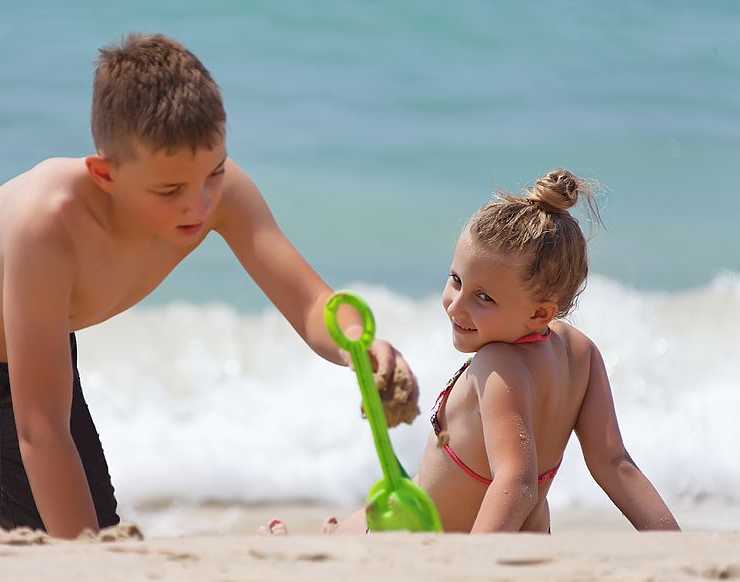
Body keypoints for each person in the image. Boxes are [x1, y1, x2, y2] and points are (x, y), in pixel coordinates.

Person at [0, 33, 417, 543]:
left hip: (30, 364)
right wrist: (92, 574)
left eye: (215, 173)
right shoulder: (49, 220)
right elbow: (42, 429)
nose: (199, 205)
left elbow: (309, 300)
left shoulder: (218, 193)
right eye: (170, 188)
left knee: (64, 544)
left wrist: (356, 345)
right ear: (105, 174)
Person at [261, 169, 679, 535]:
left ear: (540, 312)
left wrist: (472, 569)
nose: (455, 305)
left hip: (441, 541)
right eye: (456, 280)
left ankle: (314, 546)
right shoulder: (581, 353)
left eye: (483, 297)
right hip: (527, 540)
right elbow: (615, 465)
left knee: (350, 539)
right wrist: (674, 547)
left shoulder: (501, 365)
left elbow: (517, 484)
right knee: (365, 516)